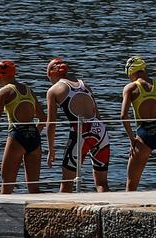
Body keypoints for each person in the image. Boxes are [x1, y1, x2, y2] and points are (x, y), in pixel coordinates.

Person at [43, 59, 111, 194]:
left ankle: (61, 214)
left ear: (51, 74)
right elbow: (97, 114)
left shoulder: (53, 90)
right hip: (100, 131)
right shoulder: (84, 84)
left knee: (66, 184)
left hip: (81, 132)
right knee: (102, 183)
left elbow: (51, 124)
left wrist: (51, 149)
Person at [0, 59, 44, 194]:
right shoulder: (28, 90)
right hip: (34, 137)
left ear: (0, 76)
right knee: (34, 188)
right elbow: (43, 118)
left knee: (6, 188)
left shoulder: (4, 92)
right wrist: (33, 132)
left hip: (17, 136)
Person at [118, 56, 156, 192]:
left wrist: (132, 139)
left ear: (131, 72)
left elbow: (123, 116)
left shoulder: (130, 88)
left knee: (131, 185)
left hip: (143, 134)